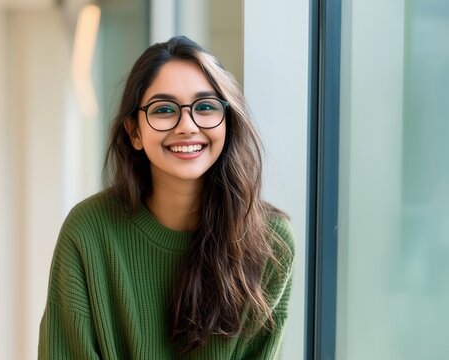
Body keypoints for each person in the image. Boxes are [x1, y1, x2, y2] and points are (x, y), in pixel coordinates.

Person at [38, 36, 295, 359]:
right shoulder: (88, 231)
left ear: (227, 121)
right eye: (163, 110)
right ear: (134, 132)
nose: (187, 126)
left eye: (205, 107)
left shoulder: (271, 242)